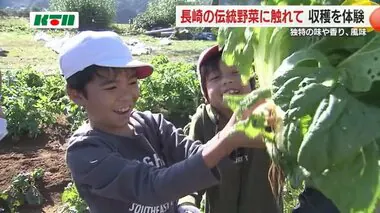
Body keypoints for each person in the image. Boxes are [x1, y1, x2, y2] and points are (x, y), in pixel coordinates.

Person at [59, 31, 270, 213]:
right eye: (111, 88)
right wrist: (226, 140)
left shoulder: (152, 125)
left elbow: (196, 154)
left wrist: (246, 138)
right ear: (76, 95)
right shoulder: (85, 152)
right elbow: (152, 188)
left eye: (132, 82)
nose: (127, 95)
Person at [178, 45, 283, 213]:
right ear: (205, 94)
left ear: (252, 83)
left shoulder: (270, 114)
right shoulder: (202, 122)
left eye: (235, 72)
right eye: (215, 77)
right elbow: (192, 171)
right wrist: (187, 203)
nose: (226, 80)